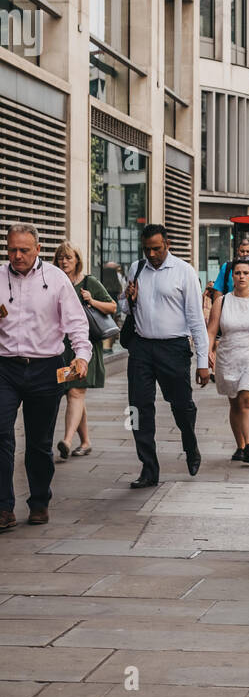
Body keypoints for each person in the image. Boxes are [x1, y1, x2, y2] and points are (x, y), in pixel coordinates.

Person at [0, 224, 91, 530]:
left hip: (44, 367)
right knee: (1, 435)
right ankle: (4, 508)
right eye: (12, 249)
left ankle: (39, 502)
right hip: (5, 368)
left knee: (39, 442)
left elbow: (77, 322)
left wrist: (82, 355)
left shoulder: (55, 279)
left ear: (38, 249)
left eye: (24, 250)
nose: (17, 256)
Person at [117, 224, 210, 488]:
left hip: (174, 348)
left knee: (182, 405)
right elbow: (123, 306)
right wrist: (129, 298)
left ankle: (190, 443)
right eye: (147, 249)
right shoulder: (136, 269)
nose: (152, 254)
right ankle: (148, 467)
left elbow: (195, 319)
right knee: (137, 406)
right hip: (141, 348)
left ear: (167, 244)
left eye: (156, 248)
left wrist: (203, 362)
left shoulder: (184, 272)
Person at [53, 242, 116, 459]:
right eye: (61, 258)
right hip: (62, 349)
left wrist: (92, 300)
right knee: (75, 396)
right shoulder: (54, 282)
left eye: (68, 258)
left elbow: (113, 307)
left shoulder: (89, 282)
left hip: (84, 349)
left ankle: (67, 441)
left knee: (75, 392)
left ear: (77, 260)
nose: (64, 261)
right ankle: (86, 441)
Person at [208, 258, 249, 465]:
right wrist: (207, 352)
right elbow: (212, 331)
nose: (241, 276)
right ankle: (241, 446)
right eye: (237, 273)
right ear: (232, 276)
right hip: (229, 357)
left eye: (245, 273)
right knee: (235, 402)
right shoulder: (222, 301)